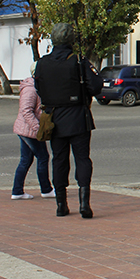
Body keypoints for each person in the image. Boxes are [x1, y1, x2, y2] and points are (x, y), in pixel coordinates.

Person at [34, 23, 103, 218]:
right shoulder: (79, 61)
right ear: (71, 40)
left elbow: (39, 88)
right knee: (82, 158)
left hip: (54, 119)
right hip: (78, 117)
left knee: (59, 160)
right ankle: (84, 204)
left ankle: (61, 205)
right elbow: (96, 86)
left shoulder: (42, 63)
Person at [11, 62, 54, 200]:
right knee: (43, 157)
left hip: (27, 130)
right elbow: (26, 110)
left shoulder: (37, 87)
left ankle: (17, 191)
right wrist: (37, 128)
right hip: (29, 131)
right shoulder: (30, 89)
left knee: (26, 159)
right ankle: (46, 189)